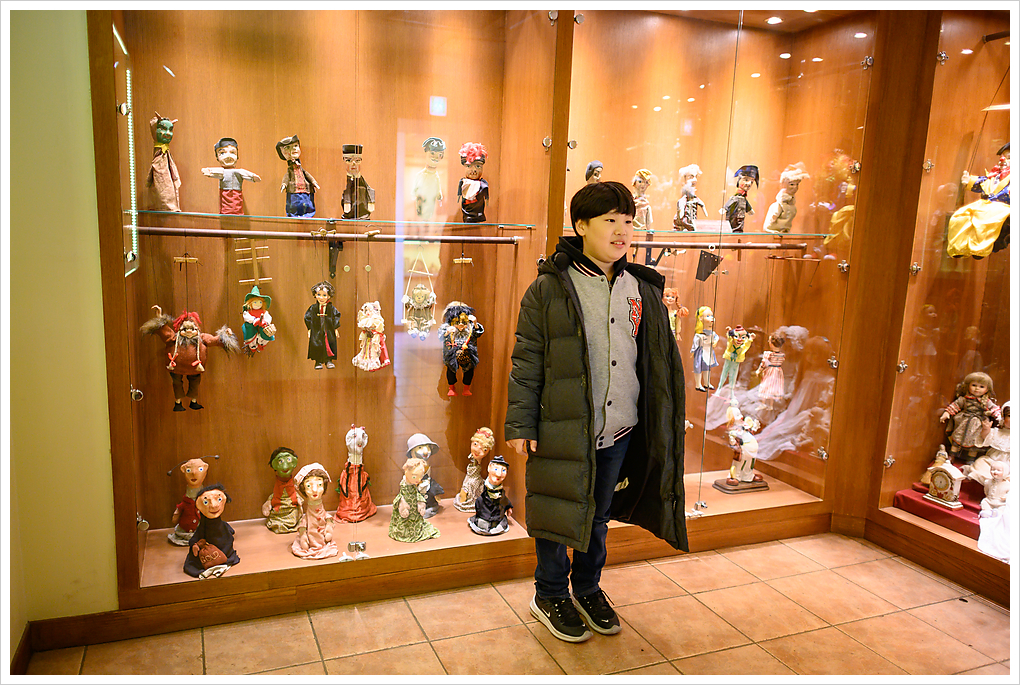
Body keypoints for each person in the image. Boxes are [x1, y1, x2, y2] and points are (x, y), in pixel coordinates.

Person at [505, 181, 688, 644]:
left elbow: (653, 361)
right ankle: (549, 593)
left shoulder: (640, 288)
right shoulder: (549, 288)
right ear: (581, 225)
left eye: (628, 221)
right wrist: (521, 423)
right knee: (555, 515)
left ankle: (587, 588)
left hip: (619, 427)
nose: (622, 231)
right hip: (562, 427)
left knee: (598, 516)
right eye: (610, 220)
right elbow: (527, 359)